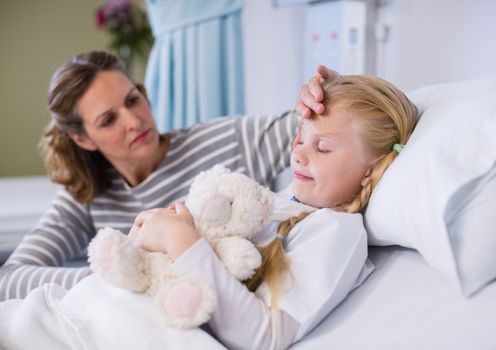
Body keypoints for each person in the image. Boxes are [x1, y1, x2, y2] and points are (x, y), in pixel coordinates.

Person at [0, 51, 323, 301]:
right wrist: (118, 275)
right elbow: (10, 278)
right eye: (109, 119)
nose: (134, 120)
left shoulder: (229, 141)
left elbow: (315, 125)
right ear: (83, 139)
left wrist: (328, 95)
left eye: (132, 100)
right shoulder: (87, 197)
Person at [128, 74, 419, 349]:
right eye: (301, 139)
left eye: (323, 148)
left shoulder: (336, 231)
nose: (298, 154)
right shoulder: (280, 201)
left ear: (371, 170)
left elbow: (264, 337)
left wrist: (181, 241)